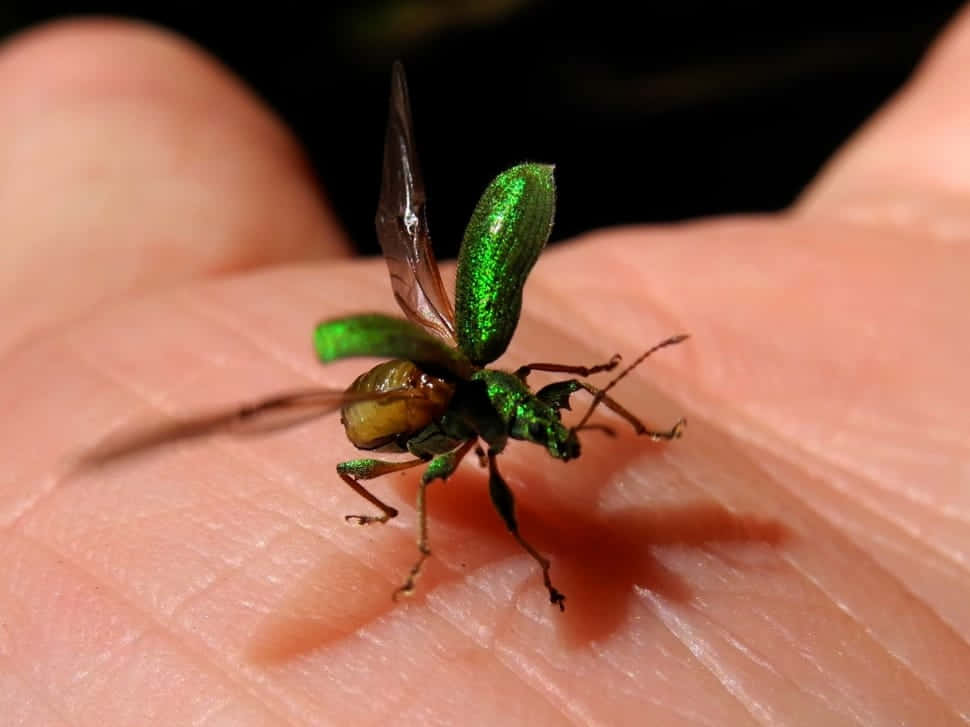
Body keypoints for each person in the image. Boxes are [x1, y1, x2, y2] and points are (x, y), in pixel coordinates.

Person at [1, 13, 967, 725]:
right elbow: (507, 393)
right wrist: (424, 548)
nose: (554, 428)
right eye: (548, 419)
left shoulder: (497, 375)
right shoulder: (451, 422)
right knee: (442, 450)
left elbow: (536, 382)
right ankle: (421, 535)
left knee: (526, 375)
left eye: (547, 418)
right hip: (410, 390)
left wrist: (590, 399)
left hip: (473, 322)